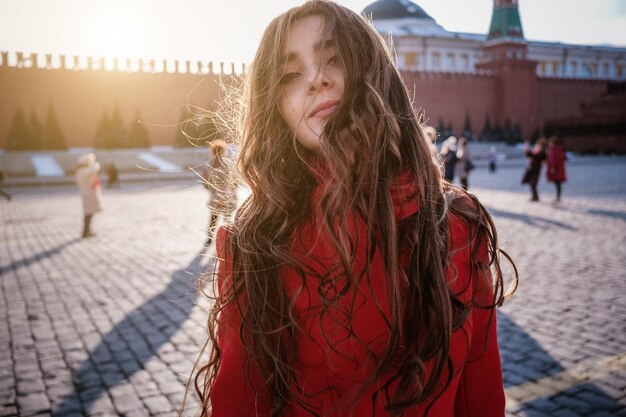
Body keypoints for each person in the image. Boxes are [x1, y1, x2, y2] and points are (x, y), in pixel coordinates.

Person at [193, 2, 517, 416]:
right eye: (290, 75)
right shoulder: (254, 242)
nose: (316, 79)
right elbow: (238, 402)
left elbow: (480, 394)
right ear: (273, 106)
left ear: (374, 72)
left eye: (335, 59)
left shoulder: (453, 223)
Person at [202, 139, 237, 246]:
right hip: (227, 196)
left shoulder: (208, 165)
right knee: (228, 220)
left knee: (213, 219)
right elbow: (234, 182)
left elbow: (205, 183)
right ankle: (230, 239)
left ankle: (209, 238)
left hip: (215, 197)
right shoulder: (226, 164)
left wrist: (213, 190)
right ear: (223, 151)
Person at [75, 153, 103, 238]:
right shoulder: (82, 171)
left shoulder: (82, 170)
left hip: (89, 194)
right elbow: (94, 168)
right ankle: (85, 231)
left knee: (90, 214)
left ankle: (87, 230)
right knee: (88, 214)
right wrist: (94, 164)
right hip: (87, 195)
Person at [546, 136, 567, 203]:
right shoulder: (560, 149)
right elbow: (564, 158)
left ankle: (557, 197)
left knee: (557, 183)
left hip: (556, 169)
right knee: (558, 183)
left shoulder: (553, 149)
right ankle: (558, 197)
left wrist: (552, 167)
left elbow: (553, 160)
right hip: (560, 168)